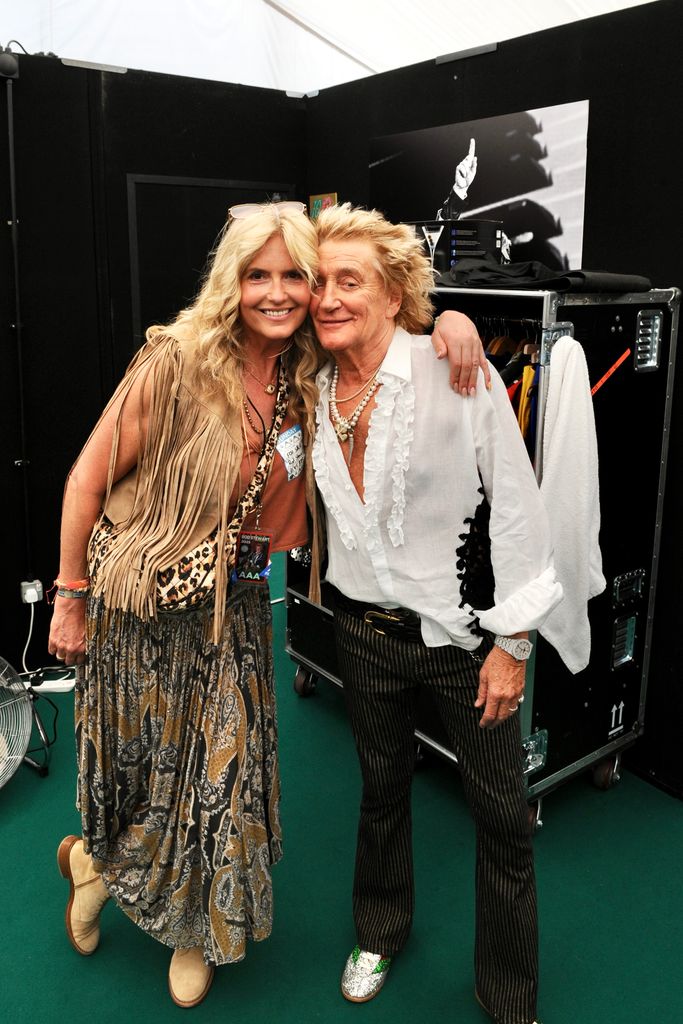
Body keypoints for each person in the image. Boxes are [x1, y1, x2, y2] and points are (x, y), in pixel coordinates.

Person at [47, 200, 486, 1009]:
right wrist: (69, 599)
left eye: (296, 276)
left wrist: (451, 320)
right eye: (259, 275)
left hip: (239, 604)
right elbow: (85, 479)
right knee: (150, 770)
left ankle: (191, 930)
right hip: (147, 604)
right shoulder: (176, 362)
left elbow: (389, 324)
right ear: (232, 281)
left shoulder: (309, 369)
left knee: (219, 772)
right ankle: (95, 867)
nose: (278, 292)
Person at [309, 202, 563, 1024]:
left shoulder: (457, 371)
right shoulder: (308, 384)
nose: (328, 298)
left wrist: (512, 645)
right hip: (360, 633)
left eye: (350, 281)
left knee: (503, 820)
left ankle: (508, 994)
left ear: (394, 294)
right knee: (380, 790)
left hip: (462, 643)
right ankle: (378, 932)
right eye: (319, 281)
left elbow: (518, 510)